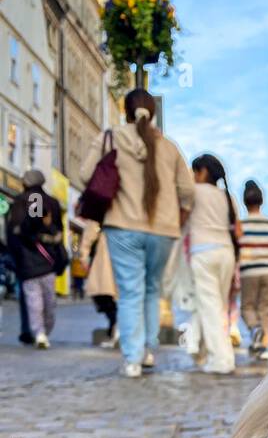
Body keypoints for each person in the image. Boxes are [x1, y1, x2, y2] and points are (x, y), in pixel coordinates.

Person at [81, 88, 195, 377]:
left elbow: (85, 175)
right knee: (151, 290)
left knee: (130, 292)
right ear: (152, 112)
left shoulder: (110, 138)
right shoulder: (168, 146)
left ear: (126, 110)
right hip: (163, 229)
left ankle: (132, 358)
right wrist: (177, 219)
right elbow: (188, 190)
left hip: (123, 226)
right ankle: (147, 351)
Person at [186, 153, 239, 376]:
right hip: (226, 253)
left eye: (194, 171)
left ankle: (222, 359)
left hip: (203, 252)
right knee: (217, 307)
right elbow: (235, 228)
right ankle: (197, 346)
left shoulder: (193, 192)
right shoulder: (227, 197)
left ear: (202, 172)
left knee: (210, 307)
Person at [6, 169, 65, 349]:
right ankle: (39, 332)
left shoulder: (32, 198)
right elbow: (58, 230)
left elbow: (32, 223)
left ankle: (36, 332)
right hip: (46, 258)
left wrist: (20, 244)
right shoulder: (52, 201)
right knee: (46, 300)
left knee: (34, 300)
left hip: (31, 256)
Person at [239, 180, 268, 360]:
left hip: (248, 273)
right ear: (261, 201)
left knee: (247, 307)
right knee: (266, 309)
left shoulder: (241, 225)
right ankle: (262, 346)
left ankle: (254, 329)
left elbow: (238, 248)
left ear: (245, 201)